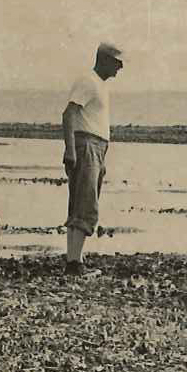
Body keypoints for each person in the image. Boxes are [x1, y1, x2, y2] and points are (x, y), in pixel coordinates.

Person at [61, 42, 123, 272]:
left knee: (81, 202)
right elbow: (69, 114)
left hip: (94, 146)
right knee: (86, 204)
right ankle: (74, 263)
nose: (120, 69)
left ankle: (74, 260)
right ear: (104, 60)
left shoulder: (98, 85)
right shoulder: (88, 82)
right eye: (117, 63)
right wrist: (70, 150)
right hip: (87, 145)